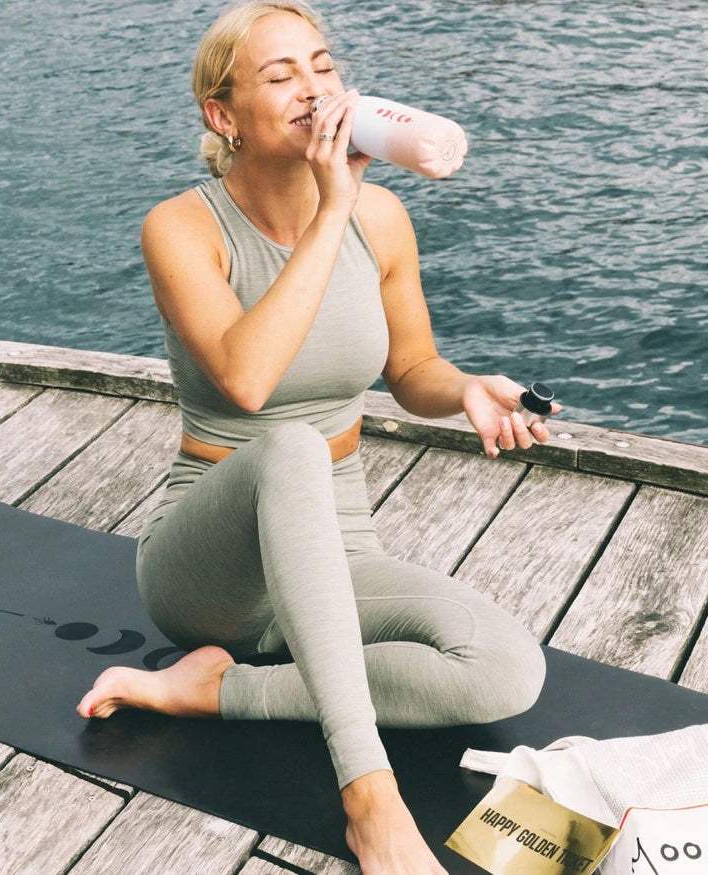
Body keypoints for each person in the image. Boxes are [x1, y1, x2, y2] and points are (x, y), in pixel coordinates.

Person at [78, 3, 557, 872]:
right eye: (280, 74)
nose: (313, 87)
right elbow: (248, 379)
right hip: (214, 560)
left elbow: (410, 367)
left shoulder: (381, 219)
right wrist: (336, 205)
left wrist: (464, 390)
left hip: (337, 541)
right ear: (223, 115)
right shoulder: (182, 229)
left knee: (505, 667)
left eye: (323, 65)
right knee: (292, 442)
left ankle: (219, 691)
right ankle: (370, 797)